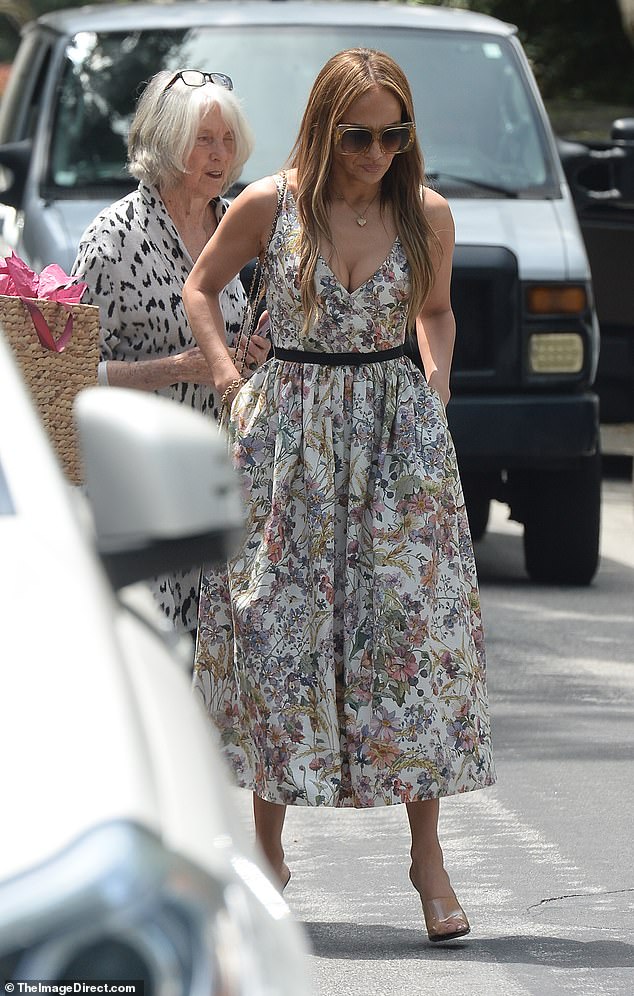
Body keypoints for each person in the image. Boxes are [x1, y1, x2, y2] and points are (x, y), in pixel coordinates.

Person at [183, 48, 495, 942]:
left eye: (394, 134)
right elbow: (201, 288)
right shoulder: (268, 205)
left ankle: (427, 858)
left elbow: (434, 310)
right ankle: (270, 854)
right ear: (324, 127)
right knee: (275, 638)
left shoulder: (424, 212)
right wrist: (227, 378)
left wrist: (436, 380)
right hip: (288, 441)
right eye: (358, 135)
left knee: (412, 640)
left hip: (398, 444)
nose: (376, 153)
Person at [72, 69, 269, 636]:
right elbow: (73, 375)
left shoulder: (237, 225)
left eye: (228, 140)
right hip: (140, 483)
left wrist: (249, 357)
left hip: (221, 478)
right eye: (204, 139)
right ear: (165, 142)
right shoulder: (114, 238)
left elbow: (231, 352)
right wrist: (178, 368)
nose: (220, 154)